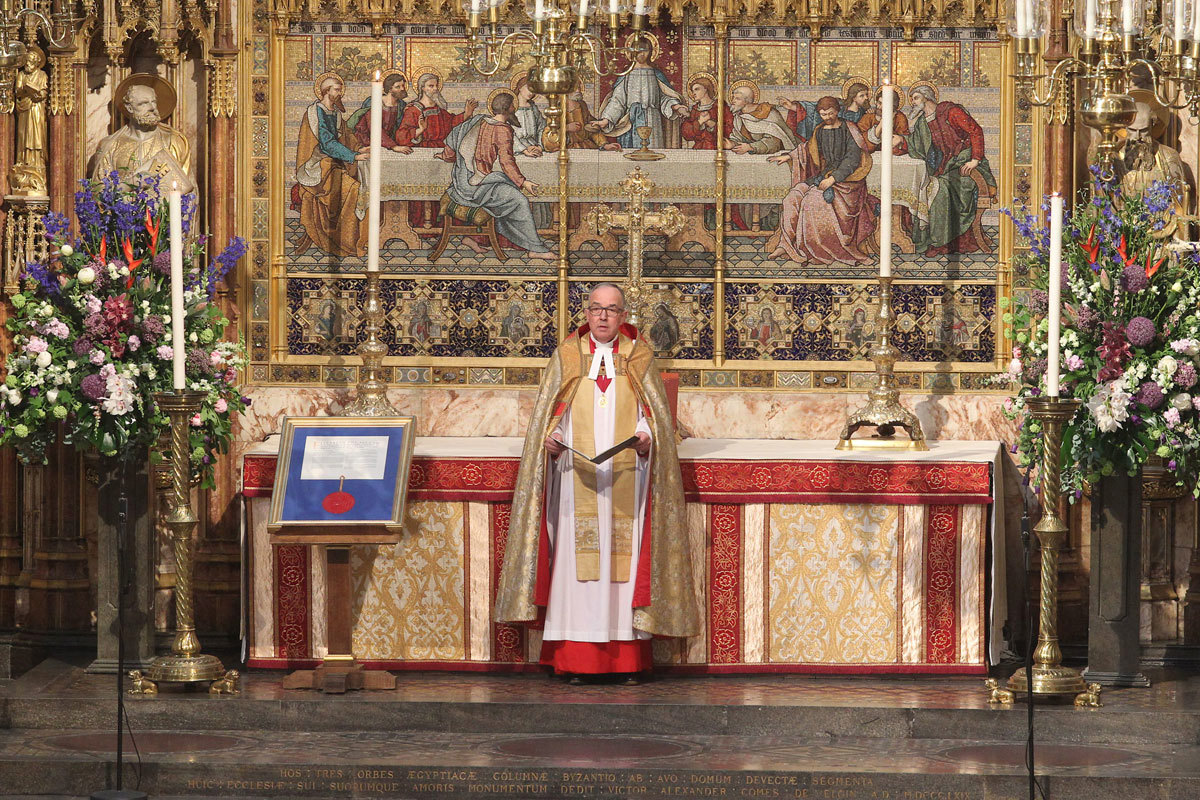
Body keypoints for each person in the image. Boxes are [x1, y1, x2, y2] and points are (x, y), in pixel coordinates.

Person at [494, 283, 698, 684]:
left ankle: (625, 660)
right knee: (577, 568)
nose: (603, 317)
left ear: (624, 315)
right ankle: (575, 660)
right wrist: (550, 442)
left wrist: (647, 438)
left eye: (611, 310)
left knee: (622, 567)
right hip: (575, 479)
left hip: (628, 478)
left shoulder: (640, 357)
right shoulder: (566, 357)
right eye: (595, 309)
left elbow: (652, 415)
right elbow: (550, 415)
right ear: (585, 313)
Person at [437, 91, 554, 260]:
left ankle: (475, 238)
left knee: (505, 191)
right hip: (476, 187)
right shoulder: (502, 130)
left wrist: (445, 156)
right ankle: (535, 248)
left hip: (460, 185)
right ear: (509, 109)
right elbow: (507, 163)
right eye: (513, 106)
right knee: (519, 200)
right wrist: (524, 182)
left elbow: (451, 146)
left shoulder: (478, 120)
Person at [766, 96, 876, 265]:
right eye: (823, 115)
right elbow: (808, 149)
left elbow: (853, 159)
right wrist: (789, 156)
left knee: (812, 200)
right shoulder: (819, 130)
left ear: (837, 111)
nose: (827, 118)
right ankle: (786, 244)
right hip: (823, 177)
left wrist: (833, 178)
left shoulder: (849, 129)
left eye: (830, 113)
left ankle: (813, 249)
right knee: (792, 197)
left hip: (847, 182)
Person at [900, 83, 996, 256]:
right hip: (945, 168)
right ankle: (934, 238)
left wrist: (975, 159)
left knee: (941, 189)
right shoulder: (923, 122)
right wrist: (902, 141)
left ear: (926, 97)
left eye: (915, 98)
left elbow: (975, 130)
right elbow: (917, 146)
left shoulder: (950, 112)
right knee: (926, 188)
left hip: (966, 166)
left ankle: (941, 243)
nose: (912, 103)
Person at [291, 73, 370, 257]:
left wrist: (360, 148)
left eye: (340, 89)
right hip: (318, 165)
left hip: (334, 163)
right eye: (337, 89)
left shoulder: (334, 113)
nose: (340, 93)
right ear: (326, 91)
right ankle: (345, 241)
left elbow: (347, 137)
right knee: (354, 188)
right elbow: (327, 144)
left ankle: (350, 238)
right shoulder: (316, 112)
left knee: (358, 183)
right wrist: (353, 156)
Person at [398, 73, 479, 228]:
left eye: (436, 85)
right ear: (422, 88)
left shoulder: (438, 109)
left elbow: (451, 123)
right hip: (423, 153)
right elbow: (401, 136)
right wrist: (420, 130)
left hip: (442, 152)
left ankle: (443, 226)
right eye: (431, 86)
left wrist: (467, 114)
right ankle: (423, 227)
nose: (435, 89)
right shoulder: (413, 110)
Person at [91, 73, 193, 193]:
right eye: (144, 103)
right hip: (124, 211)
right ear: (129, 108)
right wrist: (130, 184)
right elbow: (98, 193)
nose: (152, 107)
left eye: (153, 102)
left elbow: (190, 190)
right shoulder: (110, 145)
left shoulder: (173, 141)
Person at [595, 37, 687, 149]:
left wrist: (675, 106)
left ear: (650, 52)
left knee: (654, 154)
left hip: (653, 120)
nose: (642, 54)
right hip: (631, 121)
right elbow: (617, 100)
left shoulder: (656, 74)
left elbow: (664, 97)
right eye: (638, 50)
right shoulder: (626, 74)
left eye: (645, 50)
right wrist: (607, 119)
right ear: (631, 52)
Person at [11, 45, 48, 195]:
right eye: (26, 63)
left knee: (36, 137)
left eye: (30, 63)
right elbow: (18, 90)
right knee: (23, 135)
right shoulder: (21, 75)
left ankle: (36, 162)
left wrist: (37, 93)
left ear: (37, 63)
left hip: (37, 109)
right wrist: (24, 89)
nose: (28, 66)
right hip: (24, 108)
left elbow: (44, 92)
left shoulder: (42, 75)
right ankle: (23, 161)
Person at [726, 83, 797, 155]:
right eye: (733, 97)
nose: (732, 101)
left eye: (737, 98)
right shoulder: (739, 117)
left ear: (747, 101)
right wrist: (732, 144)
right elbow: (738, 137)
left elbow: (774, 142)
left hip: (782, 155)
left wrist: (751, 147)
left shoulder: (768, 113)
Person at [351, 72, 411, 152]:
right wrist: (394, 147)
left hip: (387, 143)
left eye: (403, 86)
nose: (402, 89)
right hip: (366, 142)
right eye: (398, 87)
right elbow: (375, 128)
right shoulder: (375, 103)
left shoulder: (401, 105)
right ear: (389, 89)